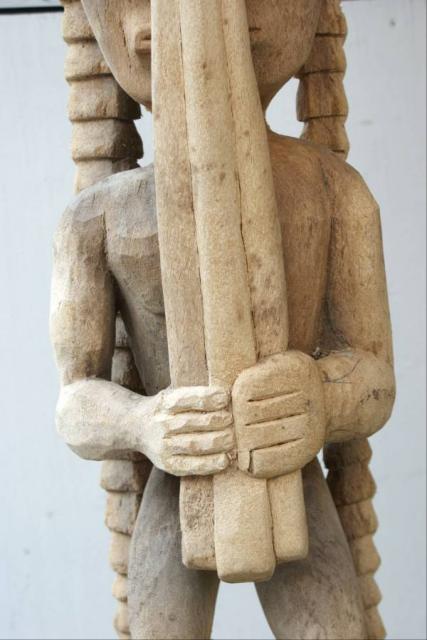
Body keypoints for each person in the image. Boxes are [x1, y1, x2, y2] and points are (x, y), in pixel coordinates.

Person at [51, 1, 395, 637]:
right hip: (178, 483)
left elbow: (375, 377)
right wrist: (144, 422)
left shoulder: (335, 191)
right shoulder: (95, 220)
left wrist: (320, 398)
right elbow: (75, 403)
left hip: (289, 475)